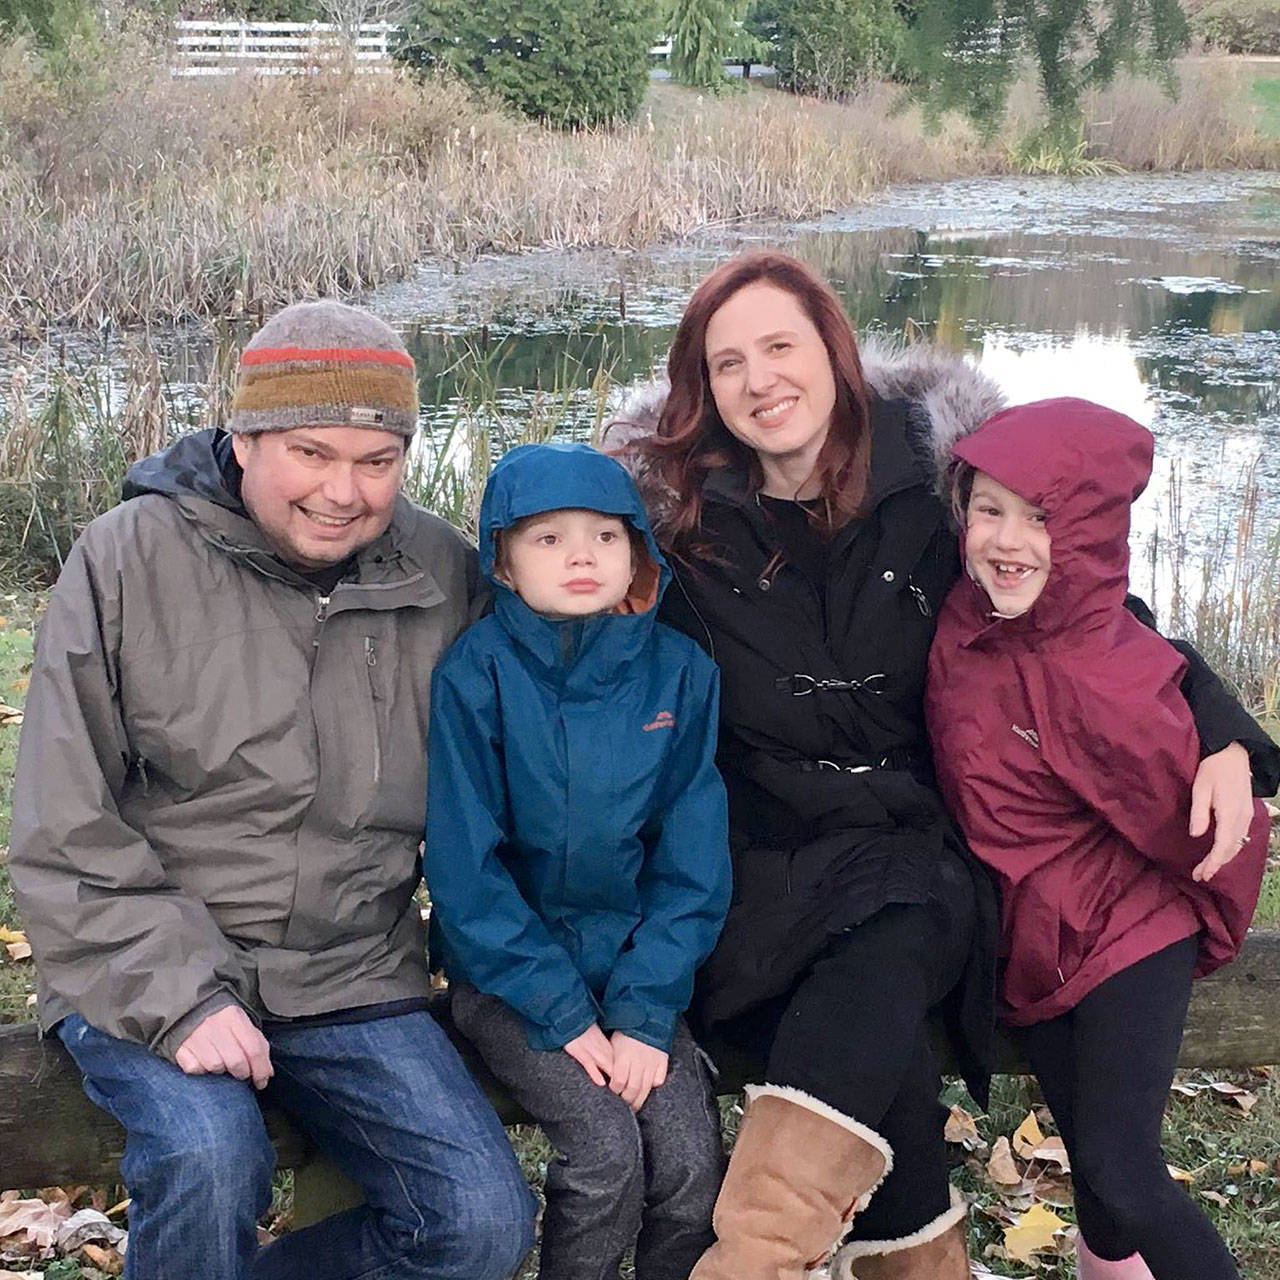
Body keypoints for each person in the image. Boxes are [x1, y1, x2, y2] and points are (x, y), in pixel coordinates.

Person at [605, 251, 1278, 1280]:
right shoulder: (674, 522)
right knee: (872, 1033)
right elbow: (559, 640)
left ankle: (747, 1257)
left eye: (779, 346)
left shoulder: (935, 484)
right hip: (758, 861)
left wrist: (1222, 727)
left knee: (896, 925)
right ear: (702, 384)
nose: (758, 379)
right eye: (726, 360)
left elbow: (1088, 619)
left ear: (833, 351)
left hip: (924, 849)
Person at [9, 300, 537, 1280]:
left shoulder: (439, 573)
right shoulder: (126, 558)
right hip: (151, 963)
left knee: (477, 1222)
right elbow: (61, 823)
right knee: (210, 1156)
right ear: (243, 438)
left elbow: (531, 750)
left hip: (351, 970)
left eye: (376, 460)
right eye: (310, 451)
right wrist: (177, 999)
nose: (343, 490)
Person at [925, 398, 1274, 1280]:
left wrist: (1233, 751)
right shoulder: (962, 616)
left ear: (1082, 534)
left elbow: (1180, 738)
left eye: (1041, 518)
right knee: (1096, 1177)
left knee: (1121, 1170)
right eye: (989, 508)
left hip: (1131, 927)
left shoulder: (1111, 672)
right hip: (1032, 940)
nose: (1006, 540)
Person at [423, 440, 732, 1280]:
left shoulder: (680, 676)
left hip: (638, 977)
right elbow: (465, 875)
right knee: (606, 1159)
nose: (582, 556)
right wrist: (560, 1012)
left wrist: (643, 1010)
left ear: (638, 550)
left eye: (604, 534)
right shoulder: (474, 678)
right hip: (513, 984)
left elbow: (691, 865)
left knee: (692, 1170)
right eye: (548, 539)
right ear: (506, 564)